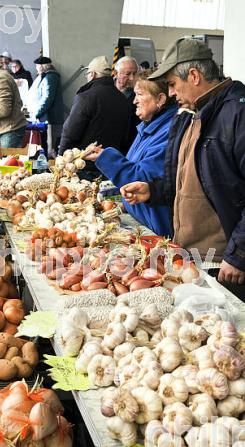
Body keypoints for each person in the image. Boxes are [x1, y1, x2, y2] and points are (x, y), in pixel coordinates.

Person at [120, 37, 245, 300]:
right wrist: (153, 191)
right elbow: (184, 177)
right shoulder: (187, 115)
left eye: (173, 85)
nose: (172, 93)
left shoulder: (238, 114)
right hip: (191, 255)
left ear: (194, 75)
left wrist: (239, 254)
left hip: (223, 262)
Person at [85, 71, 177, 236]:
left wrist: (106, 158)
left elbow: (140, 181)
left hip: (156, 230)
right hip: (142, 220)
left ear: (160, 99)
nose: (134, 100)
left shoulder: (168, 132)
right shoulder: (148, 127)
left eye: (140, 95)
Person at [59, 56, 131, 179]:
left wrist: (61, 158)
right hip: (112, 168)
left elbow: (70, 132)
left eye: (87, 74)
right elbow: (127, 137)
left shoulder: (86, 97)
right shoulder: (123, 100)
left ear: (92, 74)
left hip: (84, 167)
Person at [27, 56, 64, 157]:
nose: (36, 68)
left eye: (37, 66)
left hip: (49, 117)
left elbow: (47, 98)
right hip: (46, 117)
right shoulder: (47, 76)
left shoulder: (50, 77)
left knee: (48, 145)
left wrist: (37, 113)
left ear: (42, 67)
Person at [114, 56, 141, 146]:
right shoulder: (105, 92)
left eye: (135, 73)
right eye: (127, 74)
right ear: (116, 73)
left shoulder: (140, 96)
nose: (132, 78)